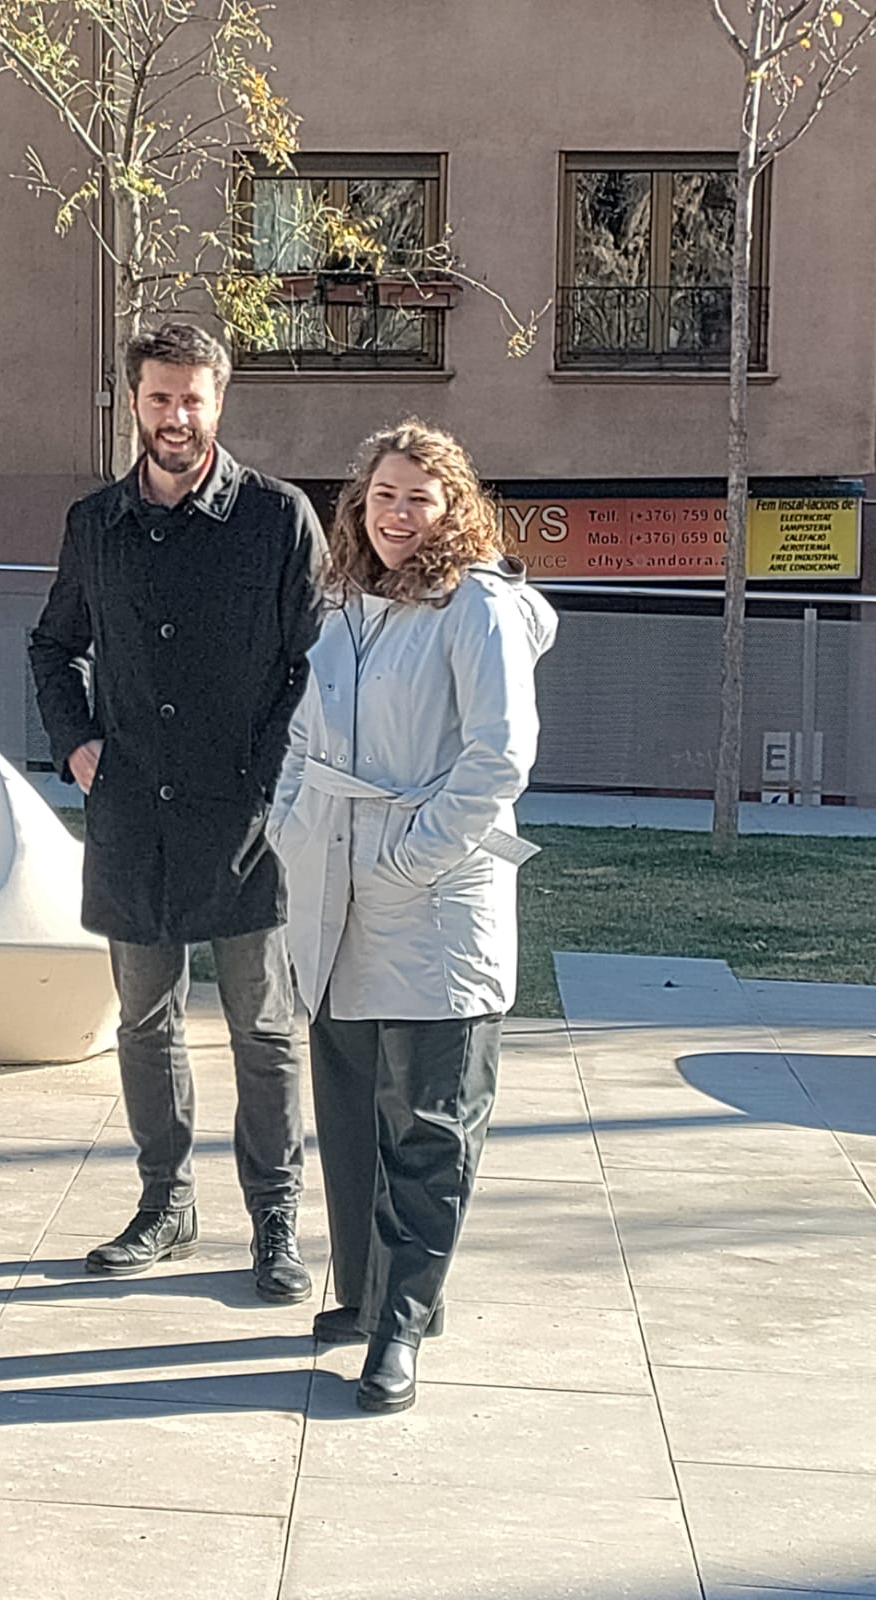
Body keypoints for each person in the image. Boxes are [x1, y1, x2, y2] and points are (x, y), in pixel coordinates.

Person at [30, 322, 324, 1302]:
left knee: (263, 1029)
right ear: (134, 403)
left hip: (244, 821)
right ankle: (166, 1204)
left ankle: (275, 1217)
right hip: (131, 819)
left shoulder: (277, 518)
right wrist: (75, 741)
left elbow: (312, 666)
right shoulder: (94, 523)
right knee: (145, 1024)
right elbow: (53, 645)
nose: (176, 416)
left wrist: (270, 781)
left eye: (193, 397)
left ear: (218, 402)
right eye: (159, 397)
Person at [270, 419, 557, 1416]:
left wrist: (411, 853)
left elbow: (498, 756)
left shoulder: (475, 605)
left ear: (453, 507)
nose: (398, 514)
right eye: (383, 495)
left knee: (428, 1123)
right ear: (358, 503)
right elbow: (301, 736)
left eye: (419, 498)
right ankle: (365, 1294)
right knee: (351, 1112)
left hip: (433, 896)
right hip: (334, 890)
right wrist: (289, 825)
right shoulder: (342, 604)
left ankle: (403, 1325)